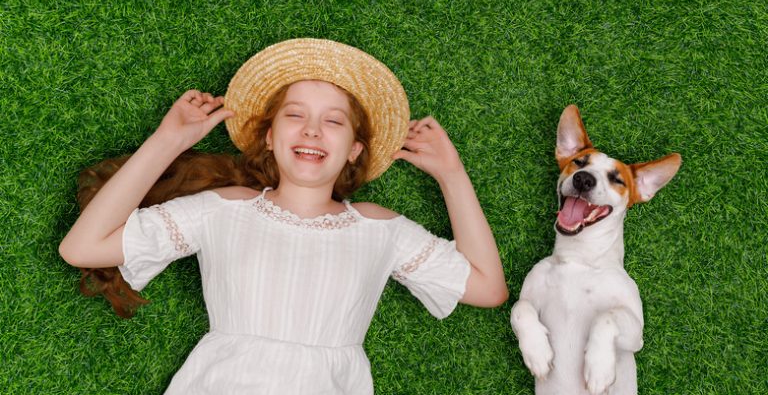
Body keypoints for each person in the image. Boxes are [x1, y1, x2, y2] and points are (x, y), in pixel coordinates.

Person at [59, 39, 507, 394]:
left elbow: (488, 287)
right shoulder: (223, 210)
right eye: (296, 116)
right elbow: (81, 247)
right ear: (270, 138)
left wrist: (451, 175)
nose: (312, 129)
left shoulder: (380, 229)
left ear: (354, 150)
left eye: (333, 122)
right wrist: (167, 141)